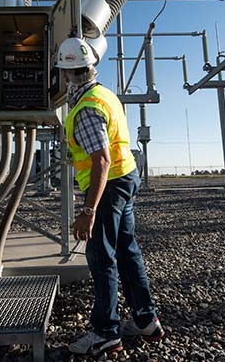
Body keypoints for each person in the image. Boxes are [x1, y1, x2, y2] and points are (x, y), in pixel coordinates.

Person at [59, 37, 164, 356]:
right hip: (125, 177)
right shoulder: (103, 94)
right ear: (90, 67)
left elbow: (101, 160)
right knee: (126, 250)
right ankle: (146, 320)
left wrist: (88, 210)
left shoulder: (86, 108)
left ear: (66, 74)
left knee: (101, 256)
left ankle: (106, 332)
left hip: (106, 184)